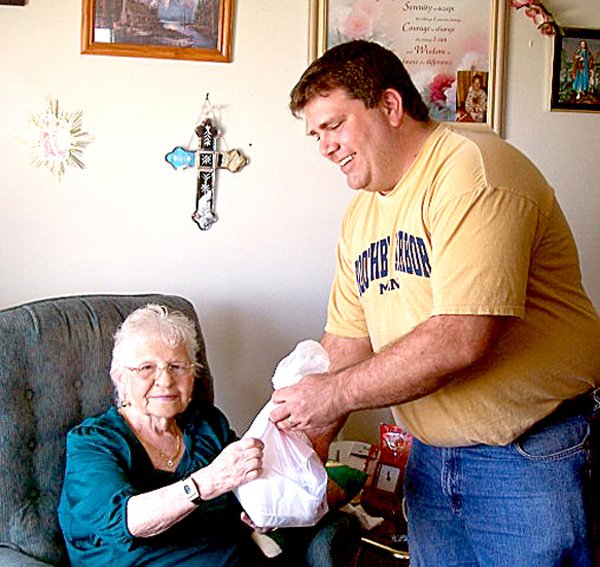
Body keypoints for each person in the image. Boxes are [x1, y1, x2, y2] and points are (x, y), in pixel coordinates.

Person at [269, 40, 600, 566]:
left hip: (526, 455)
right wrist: (299, 450)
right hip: (430, 455)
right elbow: (345, 344)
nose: (324, 147)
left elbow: (459, 338)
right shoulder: (362, 215)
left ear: (391, 107)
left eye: (333, 126)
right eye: (316, 135)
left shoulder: (474, 171)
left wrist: (331, 397)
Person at [58, 304, 360, 566]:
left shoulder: (207, 426)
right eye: (147, 367)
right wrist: (207, 482)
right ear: (120, 378)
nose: (165, 380)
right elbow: (125, 521)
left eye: (177, 366)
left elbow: (245, 490)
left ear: (193, 374)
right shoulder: (93, 443)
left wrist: (264, 510)